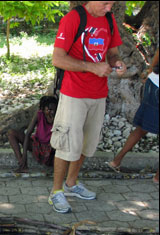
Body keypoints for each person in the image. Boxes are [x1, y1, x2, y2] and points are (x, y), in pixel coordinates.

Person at [49, 1, 127, 213]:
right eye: (105, 3)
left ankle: (71, 184)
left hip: (98, 94)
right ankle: (56, 192)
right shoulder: (73, 19)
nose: (109, 8)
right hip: (74, 93)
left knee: (86, 144)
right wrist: (92, 67)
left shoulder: (109, 19)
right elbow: (58, 58)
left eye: (112, 3)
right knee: (66, 144)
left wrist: (117, 62)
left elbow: (112, 52)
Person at [106, 48, 159, 184]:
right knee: (142, 127)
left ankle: (116, 161)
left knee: (142, 127)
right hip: (156, 85)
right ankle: (158, 177)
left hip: (154, 83)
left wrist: (150, 72)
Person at [8, 95, 59, 173]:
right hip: (37, 145)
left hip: (51, 149)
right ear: (43, 109)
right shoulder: (39, 114)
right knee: (11, 133)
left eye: (54, 110)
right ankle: (22, 165)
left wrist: (55, 121)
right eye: (49, 109)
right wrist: (24, 156)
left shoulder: (59, 117)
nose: (52, 112)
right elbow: (28, 134)